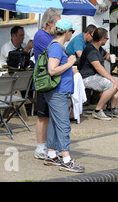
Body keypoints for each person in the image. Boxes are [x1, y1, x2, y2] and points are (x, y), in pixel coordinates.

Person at [43, 18, 84, 173]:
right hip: (57, 92)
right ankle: (66, 160)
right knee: (64, 125)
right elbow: (52, 70)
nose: (71, 35)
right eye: (71, 31)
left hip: (59, 91)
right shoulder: (56, 47)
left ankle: (52, 155)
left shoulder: (58, 46)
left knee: (54, 123)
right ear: (66, 32)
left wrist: (68, 68)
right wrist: (70, 63)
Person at [79, 28, 118, 120]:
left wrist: (110, 56)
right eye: (107, 38)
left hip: (97, 76)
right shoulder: (90, 50)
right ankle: (97, 110)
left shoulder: (99, 48)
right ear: (102, 39)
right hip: (87, 77)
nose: (107, 40)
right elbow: (98, 67)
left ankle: (110, 108)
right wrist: (112, 79)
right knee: (112, 84)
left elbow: (106, 55)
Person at [32, 8, 62, 160]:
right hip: (44, 81)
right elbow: (57, 52)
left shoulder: (50, 36)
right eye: (58, 22)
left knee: (50, 115)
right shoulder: (41, 36)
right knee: (43, 115)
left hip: (51, 80)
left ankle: (50, 145)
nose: (60, 25)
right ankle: (40, 147)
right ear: (49, 23)